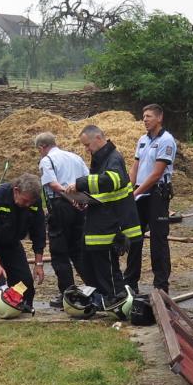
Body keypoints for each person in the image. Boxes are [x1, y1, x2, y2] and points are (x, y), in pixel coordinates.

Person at [74, 123, 140, 311]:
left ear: (98, 138)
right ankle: (102, 299)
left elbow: (112, 181)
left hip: (110, 226)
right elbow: (104, 192)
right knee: (90, 265)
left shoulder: (113, 158)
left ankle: (117, 302)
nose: (87, 150)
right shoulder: (101, 159)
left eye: (87, 145)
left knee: (108, 270)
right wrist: (85, 200)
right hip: (98, 225)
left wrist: (81, 184)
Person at [0, 172, 45, 315]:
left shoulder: (34, 201)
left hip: (11, 242)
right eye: (25, 201)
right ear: (16, 190)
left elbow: (39, 232)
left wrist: (39, 264)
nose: (28, 205)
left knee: (25, 282)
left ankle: (24, 308)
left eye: (31, 202)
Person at [126, 104, 177, 296]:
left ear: (159, 118)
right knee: (134, 238)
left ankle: (160, 285)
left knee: (158, 240)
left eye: (148, 116)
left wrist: (136, 192)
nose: (145, 119)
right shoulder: (142, 140)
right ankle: (130, 281)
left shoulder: (166, 141)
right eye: (143, 116)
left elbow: (156, 174)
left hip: (156, 195)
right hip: (139, 194)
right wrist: (129, 189)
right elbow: (135, 167)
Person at [34, 132, 89, 309]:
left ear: (42, 147)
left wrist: (68, 197)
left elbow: (52, 184)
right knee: (78, 249)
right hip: (80, 205)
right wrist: (82, 200)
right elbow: (87, 179)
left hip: (60, 206)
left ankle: (67, 292)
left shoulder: (47, 160)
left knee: (59, 252)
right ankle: (93, 285)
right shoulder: (75, 157)